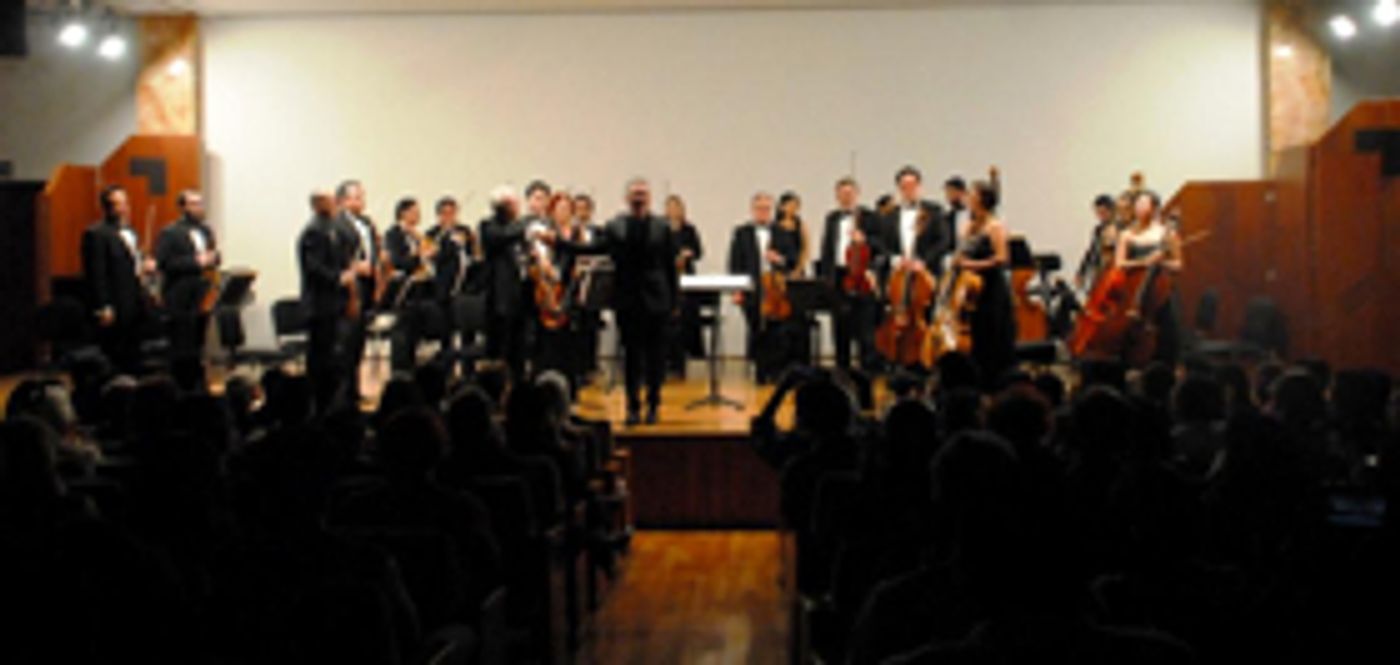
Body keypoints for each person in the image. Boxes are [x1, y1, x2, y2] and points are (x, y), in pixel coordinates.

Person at [583, 178, 679, 425]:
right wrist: (560, 243)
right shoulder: (615, 226)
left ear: (649, 198)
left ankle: (654, 404)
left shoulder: (662, 226)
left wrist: (675, 300)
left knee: (657, 357)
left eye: (643, 193)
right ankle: (632, 406)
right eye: (635, 193)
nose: (639, 197)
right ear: (627, 198)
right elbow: (595, 249)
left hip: (657, 298)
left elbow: (671, 267)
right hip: (627, 299)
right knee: (632, 356)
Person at [728, 192, 801, 383]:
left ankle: (775, 371)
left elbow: (793, 260)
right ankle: (760, 372)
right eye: (759, 208)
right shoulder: (741, 233)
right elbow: (735, 263)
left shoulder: (782, 232)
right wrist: (736, 290)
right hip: (752, 287)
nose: (763, 212)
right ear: (752, 210)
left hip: (776, 289)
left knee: (776, 332)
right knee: (756, 329)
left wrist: (779, 259)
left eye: (767, 208)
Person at [82, 184, 155, 373]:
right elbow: (96, 273)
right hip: (116, 302)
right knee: (116, 353)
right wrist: (103, 306)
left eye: (125, 203)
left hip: (135, 301)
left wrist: (145, 265)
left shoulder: (130, 232)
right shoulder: (96, 234)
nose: (124, 208)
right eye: (118, 204)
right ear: (107, 207)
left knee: (134, 352)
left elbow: (133, 264)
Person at [298, 188, 358, 413]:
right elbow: (313, 267)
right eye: (330, 200)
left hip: (334, 302)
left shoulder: (331, 228)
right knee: (321, 355)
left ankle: (333, 400)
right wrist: (338, 277)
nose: (335, 203)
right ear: (317, 204)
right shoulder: (313, 231)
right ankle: (320, 402)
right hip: (320, 304)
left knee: (334, 354)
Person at [952, 179, 1017, 384]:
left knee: (991, 335)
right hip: (970, 288)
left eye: (971, 195)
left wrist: (971, 265)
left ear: (982, 200)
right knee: (975, 332)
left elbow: (1002, 258)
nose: (967, 198)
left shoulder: (994, 226)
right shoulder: (968, 225)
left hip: (990, 289)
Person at [819, 176, 884, 373]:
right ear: (837, 196)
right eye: (842, 194)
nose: (846, 197)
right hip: (839, 277)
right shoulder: (831, 218)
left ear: (857, 194)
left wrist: (865, 240)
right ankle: (842, 371)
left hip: (862, 276)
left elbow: (882, 246)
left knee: (865, 330)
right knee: (840, 328)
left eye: (850, 193)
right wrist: (826, 276)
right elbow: (827, 249)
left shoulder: (870, 217)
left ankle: (866, 373)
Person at [1113, 189, 1183, 365]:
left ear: (1155, 209)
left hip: (1160, 291)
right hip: (1134, 291)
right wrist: (1144, 262)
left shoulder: (1167, 234)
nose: (1138, 208)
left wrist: (1161, 263)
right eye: (1137, 203)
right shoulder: (1126, 234)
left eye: (1143, 204)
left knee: (1167, 334)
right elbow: (1119, 264)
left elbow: (1178, 265)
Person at [155, 189, 220, 363]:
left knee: (199, 341)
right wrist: (195, 261)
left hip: (202, 293)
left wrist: (214, 258)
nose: (199, 208)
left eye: (200, 203)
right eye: (194, 204)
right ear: (183, 208)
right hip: (180, 295)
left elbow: (212, 255)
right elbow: (165, 263)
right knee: (183, 343)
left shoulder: (206, 230)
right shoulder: (170, 232)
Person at [479, 186, 532, 380]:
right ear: (504, 206)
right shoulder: (488, 225)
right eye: (515, 203)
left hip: (522, 293)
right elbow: (501, 237)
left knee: (519, 346)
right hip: (502, 298)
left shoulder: (517, 228)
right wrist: (526, 224)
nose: (518, 207)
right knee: (502, 346)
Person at [335, 179, 380, 404]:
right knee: (345, 345)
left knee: (357, 344)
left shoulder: (366, 223)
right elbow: (335, 259)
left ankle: (354, 391)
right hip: (347, 292)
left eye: (363, 196)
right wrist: (354, 267)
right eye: (357, 196)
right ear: (344, 200)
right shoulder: (337, 224)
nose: (362, 200)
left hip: (365, 287)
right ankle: (343, 395)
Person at [424, 195, 479, 374]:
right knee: (445, 333)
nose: (449, 217)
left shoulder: (465, 231)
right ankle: (445, 373)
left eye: (452, 213)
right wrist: (448, 244)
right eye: (445, 214)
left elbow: (475, 256)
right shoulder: (432, 234)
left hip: (464, 288)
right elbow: (431, 260)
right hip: (443, 289)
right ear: (438, 216)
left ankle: (468, 372)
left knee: (467, 332)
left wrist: (465, 244)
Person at [383, 197, 439, 372]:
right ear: (403, 213)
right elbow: (398, 261)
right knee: (402, 335)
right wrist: (419, 255)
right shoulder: (393, 234)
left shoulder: (417, 235)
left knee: (416, 334)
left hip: (420, 290)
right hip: (403, 291)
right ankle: (400, 373)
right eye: (414, 211)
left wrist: (430, 253)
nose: (418, 215)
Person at [879, 165, 950, 280]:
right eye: (904, 187)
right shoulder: (889, 215)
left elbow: (943, 241)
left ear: (920, 186)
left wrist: (924, 261)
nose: (909, 191)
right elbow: (882, 244)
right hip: (898, 276)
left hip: (928, 275)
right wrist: (895, 260)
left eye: (913, 186)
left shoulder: (934, 211)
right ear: (899, 189)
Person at [666, 194, 704, 377]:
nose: (673, 211)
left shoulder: (689, 229)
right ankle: (666, 361)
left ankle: (681, 362)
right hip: (667, 279)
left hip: (686, 278)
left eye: (677, 207)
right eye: (670, 207)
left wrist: (688, 253)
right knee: (667, 322)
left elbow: (698, 251)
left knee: (684, 321)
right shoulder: (662, 229)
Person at [1075, 194, 1120, 292]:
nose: (1100, 216)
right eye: (1098, 213)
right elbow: (1091, 251)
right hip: (1098, 271)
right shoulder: (1098, 230)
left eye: (1103, 212)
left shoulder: (1120, 229)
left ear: (1112, 211)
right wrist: (1081, 272)